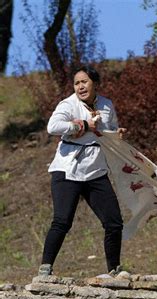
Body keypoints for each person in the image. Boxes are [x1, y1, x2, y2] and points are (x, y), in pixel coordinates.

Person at [38, 65, 124, 276]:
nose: (80, 86)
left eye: (84, 81)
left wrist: (116, 133)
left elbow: (109, 129)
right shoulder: (68, 104)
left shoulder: (106, 104)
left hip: (95, 169)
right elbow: (53, 126)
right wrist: (82, 125)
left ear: (95, 83)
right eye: (77, 83)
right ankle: (45, 269)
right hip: (67, 168)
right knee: (62, 220)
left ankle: (114, 270)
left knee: (114, 222)